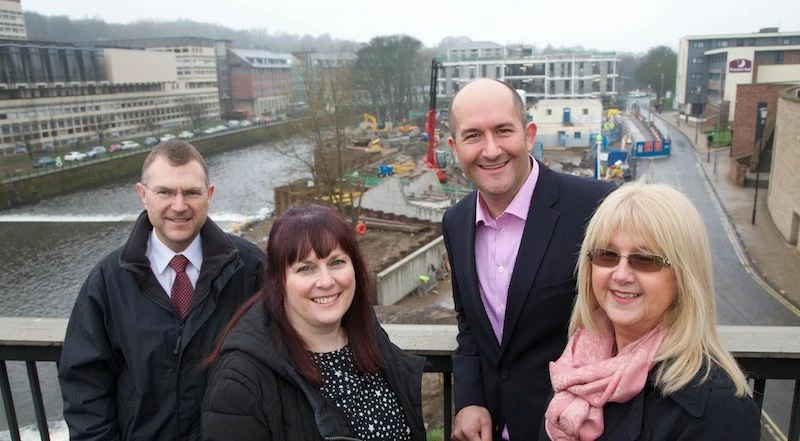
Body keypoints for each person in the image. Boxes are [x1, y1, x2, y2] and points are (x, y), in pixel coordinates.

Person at [442, 78, 615, 441]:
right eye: (473, 136)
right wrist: (470, 399)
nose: (491, 150)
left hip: (576, 430)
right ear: (455, 148)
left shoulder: (596, 207)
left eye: (503, 130)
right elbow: (469, 324)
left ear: (529, 134)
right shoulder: (455, 222)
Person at [58, 139, 265, 441]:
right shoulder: (108, 279)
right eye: (165, 192)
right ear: (143, 195)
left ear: (209, 196)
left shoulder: (250, 268)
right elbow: (85, 385)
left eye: (191, 193)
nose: (179, 206)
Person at [541, 182, 759, 441]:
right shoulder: (577, 360)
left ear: (683, 276)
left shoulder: (719, 409)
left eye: (645, 259)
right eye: (607, 255)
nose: (621, 275)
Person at [201, 204, 426, 441]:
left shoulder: (366, 332)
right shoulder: (240, 382)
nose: (326, 281)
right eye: (306, 268)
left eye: (336, 262)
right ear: (279, 280)